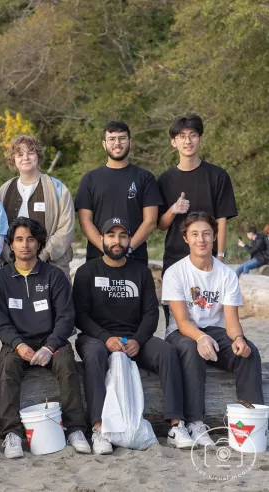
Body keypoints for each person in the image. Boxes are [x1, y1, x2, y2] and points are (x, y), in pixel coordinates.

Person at [73, 217, 194, 454]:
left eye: (122, 236)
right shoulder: (87, 272)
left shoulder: (141, 272)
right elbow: (80, 315)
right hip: (97, 337)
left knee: (168, 351)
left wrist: (138, 340)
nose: (116, 241)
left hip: (134, 338)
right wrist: (105, 337)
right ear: (101, 239)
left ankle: (176, 425)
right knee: (95, 353)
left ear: (129, 240)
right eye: (111, 236)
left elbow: (151, 313)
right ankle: (99, 429)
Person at [163, 212, 263, 446]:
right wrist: (201, 337)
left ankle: (251, 422)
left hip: (215, 332)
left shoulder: (226, 274)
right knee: (192, 345)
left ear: (215, 236)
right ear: (186, 238)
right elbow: (181, 321)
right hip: (182, 333)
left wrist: (239, 338)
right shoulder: (175, 272)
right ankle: (196, 423)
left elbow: (230, 322)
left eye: (207, 233)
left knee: (249, 352)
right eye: (195, 234)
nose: (201, 239)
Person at [0, 217, 90, 457]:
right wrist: (18, 345)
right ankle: (12, 434)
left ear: (39, 243)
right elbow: (0, 321)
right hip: (17, 343)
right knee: (6, 369)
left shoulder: (55, 276)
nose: (24, 245)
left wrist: (49, 347)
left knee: (68, 365)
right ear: (11, 245)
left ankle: (75, 429)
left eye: (30, 239)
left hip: (51, 340)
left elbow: (66, 318)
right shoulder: (0, 279)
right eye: (18, 240)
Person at [157, 114, 238, 320]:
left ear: (200, 139)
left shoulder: (217, 176)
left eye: (193, 135)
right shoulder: (165, 179)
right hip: (175, 259)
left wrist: (220, 256)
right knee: (175, 323)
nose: (188, 141)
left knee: (212, 319)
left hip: (208, 261)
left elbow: (221, 219)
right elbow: (160, 224)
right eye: (182, 136)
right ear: (173, 142)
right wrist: (173, 209)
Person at [76, 121, 162, 265]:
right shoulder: (90, 179)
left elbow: (150, 221)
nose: (117, 143)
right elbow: (85, 222)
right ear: (104, 144)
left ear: (130, 142)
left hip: (134, 258)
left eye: (122, 138)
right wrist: (106, 250)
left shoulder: (145, 178)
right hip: (98, 258)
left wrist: (127, 249)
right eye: (112, 139)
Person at [0, 134, 75, 278]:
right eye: (19, 154)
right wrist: (10, 255)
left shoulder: (58, 189)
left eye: (30, 153)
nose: (25, 157)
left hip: (51, 268)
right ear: (13, 159)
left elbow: (66, 229)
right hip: (12, 270)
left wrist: (43, 255)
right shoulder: (5, 190)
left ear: (38, 156)